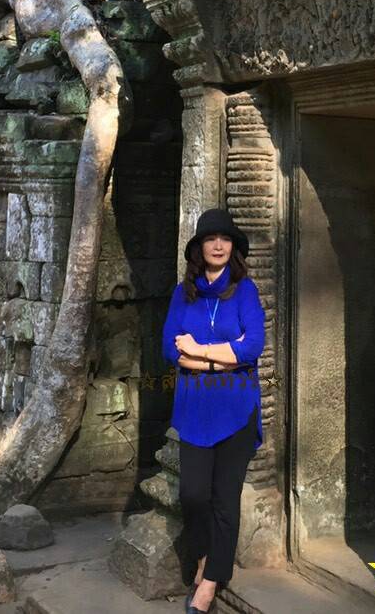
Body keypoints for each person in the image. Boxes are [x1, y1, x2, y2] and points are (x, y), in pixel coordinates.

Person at [162, 207, 266, 614]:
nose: (218, 245)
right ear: (199, 248)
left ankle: (209, 583)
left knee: (225, 498)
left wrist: (199, 352)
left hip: (236, 408)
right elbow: (169, 348)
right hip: (195, 410)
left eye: (225, 239)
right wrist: (222, 357)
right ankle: (206, 556)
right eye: (210, 239)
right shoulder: (183, 293)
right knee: (192, 494)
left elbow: (252, 347)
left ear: (233, 248)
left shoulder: (245, 291)